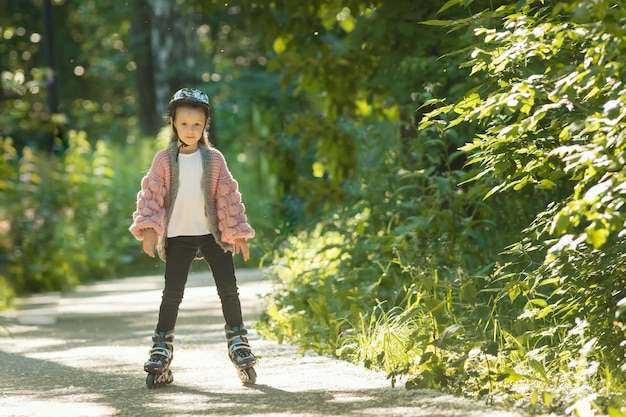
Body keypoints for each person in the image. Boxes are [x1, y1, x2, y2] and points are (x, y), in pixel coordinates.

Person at [129, 87, 257, 386]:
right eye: (184, 123)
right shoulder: (163, 160)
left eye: (197, 124)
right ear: (172, 122)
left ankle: (238, 339)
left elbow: (227, 197)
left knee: (228, 289)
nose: (190, 129)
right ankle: (161, 346)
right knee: (172, 294)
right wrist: (149, 230)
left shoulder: (213, 159)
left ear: (205, 126)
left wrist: (237, 233)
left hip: (212, 235)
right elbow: (152, 196)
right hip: (178, 235)